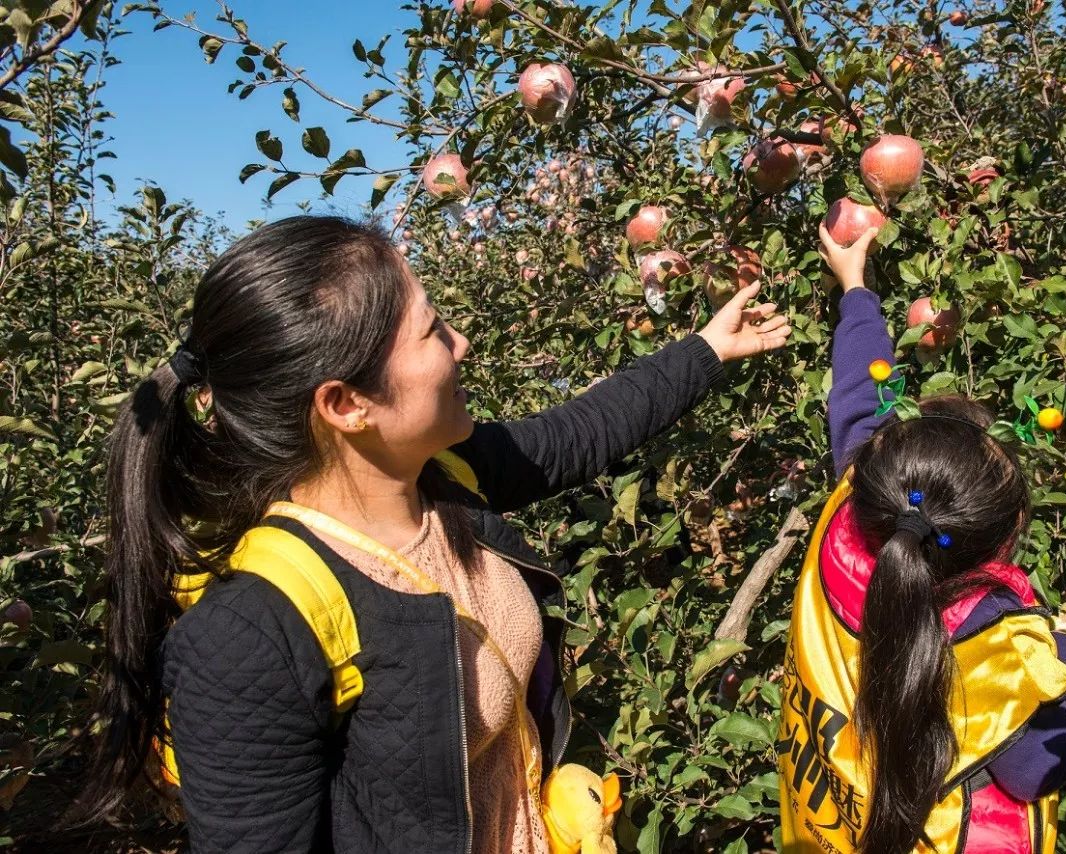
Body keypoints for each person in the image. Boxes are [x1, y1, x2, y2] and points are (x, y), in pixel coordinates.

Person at [72, 215, 793, 853]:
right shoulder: (253, 636)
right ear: (346, 404)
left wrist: (706, 349)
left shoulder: (443, 479)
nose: (463, 343)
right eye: (432, 331)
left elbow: (577, 433)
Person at [777, 224, 1066, 854]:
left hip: (826, 824)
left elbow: (858, 396)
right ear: (1009, 531)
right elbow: (1035, 769)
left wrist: (854, 285)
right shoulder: (994, 638)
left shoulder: (851, 513)